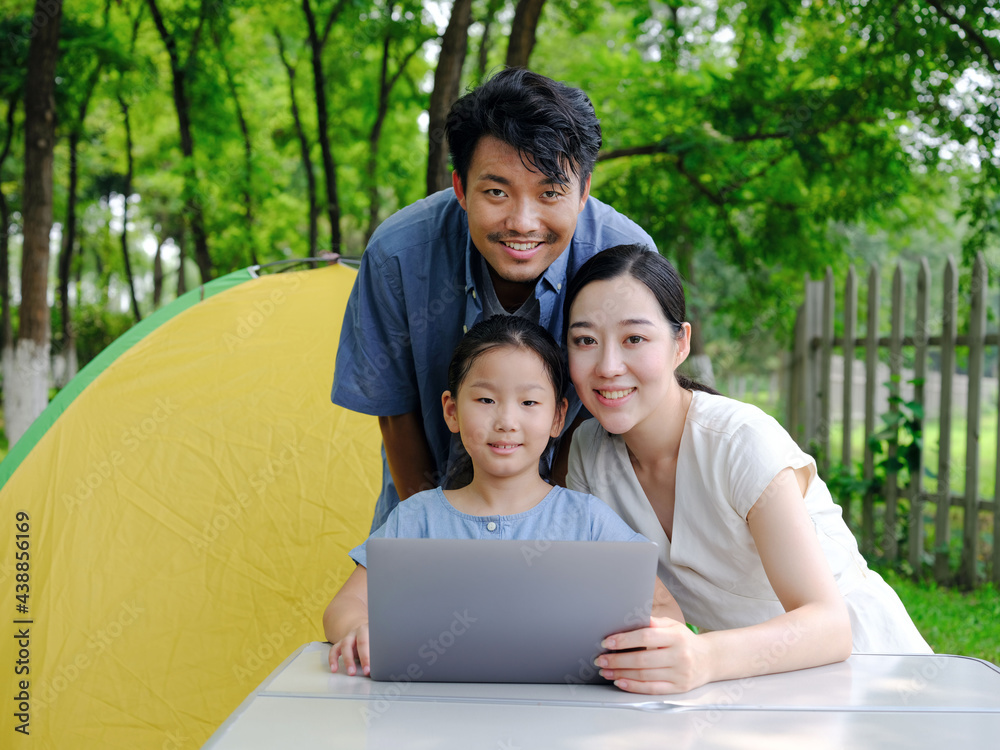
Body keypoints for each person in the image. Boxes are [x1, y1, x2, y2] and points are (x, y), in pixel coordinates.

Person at [564, 244, 931, 695]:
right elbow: (648, 603)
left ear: (681, 343)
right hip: (744, 683)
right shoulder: (588, 453)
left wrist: (703, 656)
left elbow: (831, 625)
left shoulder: (741, 442)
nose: (608, 367)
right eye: (585, 340)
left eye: (634, 339)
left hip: (867, 670)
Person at [331, 68, 655, 533]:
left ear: (583, 191)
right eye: (497, 192)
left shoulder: (625, 260)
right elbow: (396, 414)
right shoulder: (397, 255)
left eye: (549, 192)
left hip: (579, 523)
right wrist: (434, 534)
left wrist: (543, 533)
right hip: (426, 509)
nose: (523, 223)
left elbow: (630, 409)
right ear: (461, 188)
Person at [324, 315, 680, 676]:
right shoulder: (416, 518)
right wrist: (356, 631)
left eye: (529, 403)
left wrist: (639, 647)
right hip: (432, 712)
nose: (507, 421)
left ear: (558, 418)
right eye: (485, 399)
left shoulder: (588, 520)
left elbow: (665, 608)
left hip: (564, 717)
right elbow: (346, 605)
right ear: (451, 411)